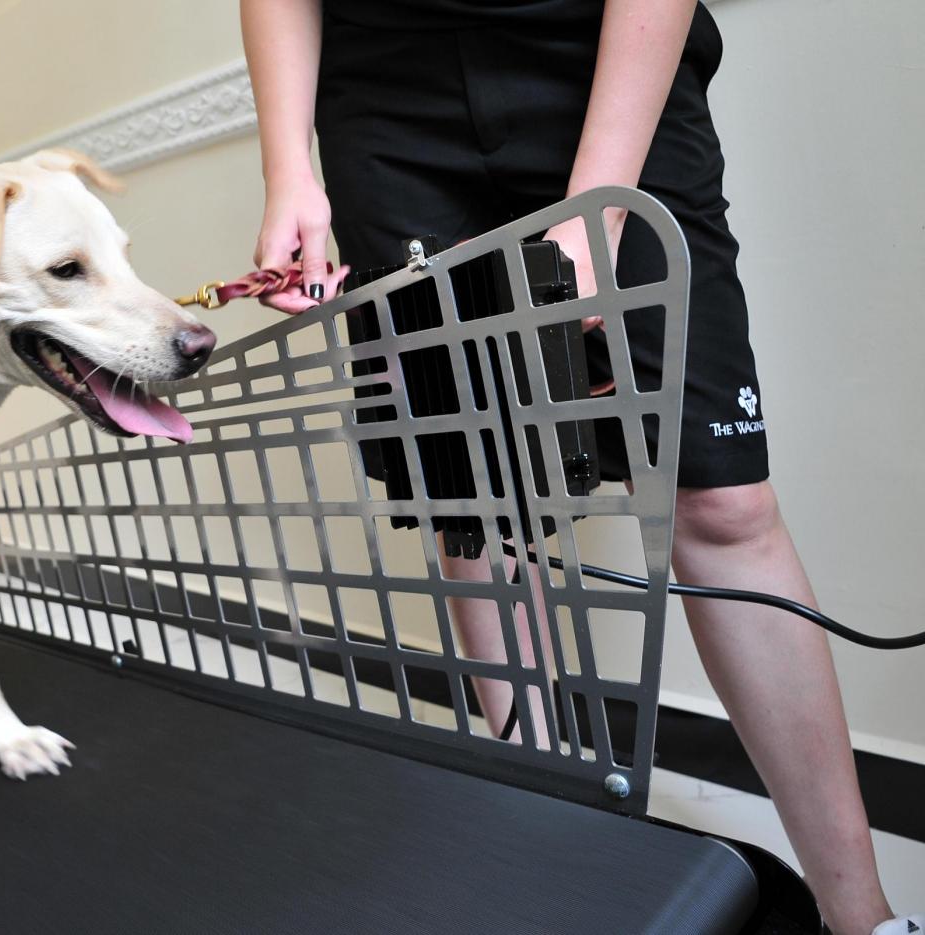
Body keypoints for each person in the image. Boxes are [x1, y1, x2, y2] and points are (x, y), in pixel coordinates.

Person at [240, 1, 918, 932]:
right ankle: (563, 876)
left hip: (598, 50)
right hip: (384, 100)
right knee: (472, 508)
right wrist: (290, 170)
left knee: (717, 502)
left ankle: (864, 917)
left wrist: (595, 209)